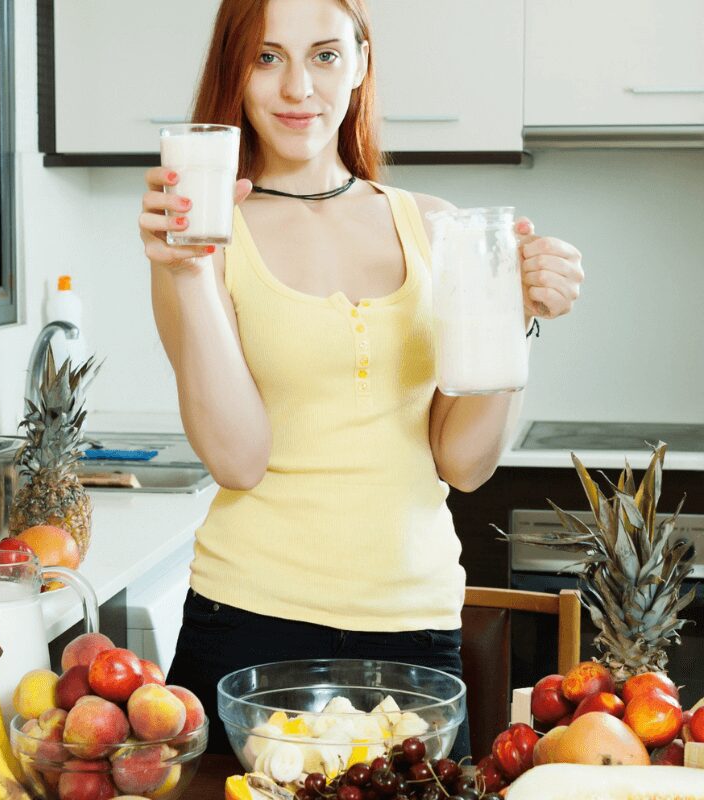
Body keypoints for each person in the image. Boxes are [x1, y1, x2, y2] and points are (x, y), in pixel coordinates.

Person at [138, 0, 584, 759]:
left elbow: (464, 463)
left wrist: (517, 314)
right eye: (267, 57)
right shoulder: (202, 236)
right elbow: (238, 459)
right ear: (235, 72)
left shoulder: (434, 227)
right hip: (246, 622)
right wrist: (186, 273)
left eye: (325, 55)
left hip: (414, 629)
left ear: (361, 63)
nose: (297, 88)